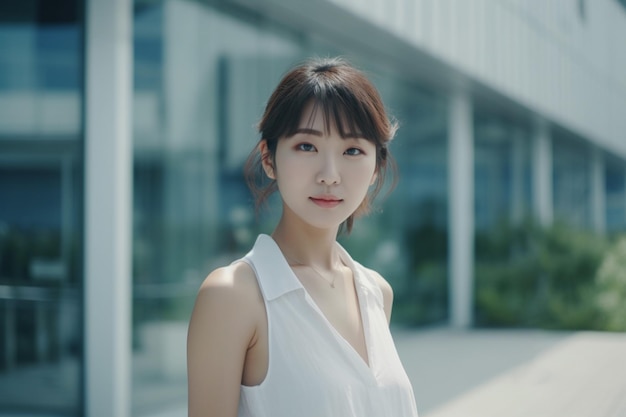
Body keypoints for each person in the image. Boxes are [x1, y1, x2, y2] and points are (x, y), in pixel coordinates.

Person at [187, 57, 419, 417]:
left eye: (352, 150)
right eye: (307, 147)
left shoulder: (376, 292)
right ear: (269, 158)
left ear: (376, 168)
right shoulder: (234, 294)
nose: (329, 175)